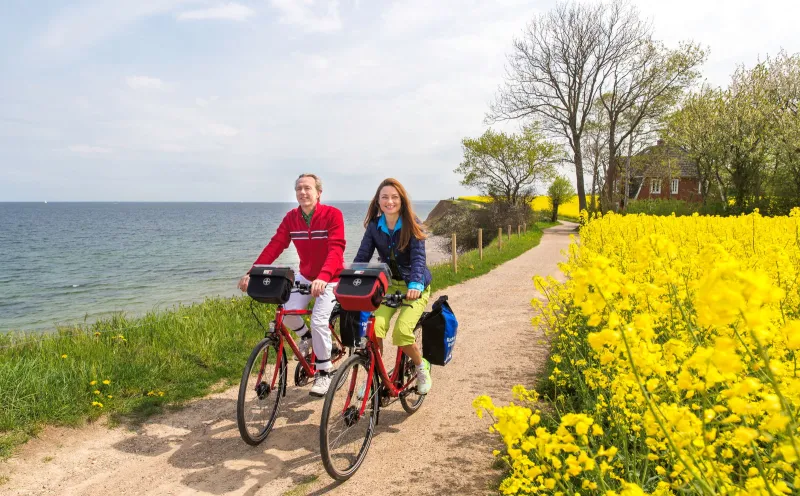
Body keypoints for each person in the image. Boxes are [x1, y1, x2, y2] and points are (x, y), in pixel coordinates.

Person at [238, 173, 345, 397]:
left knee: (318, 320)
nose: (303, 192)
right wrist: (253, 272)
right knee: (284, 312)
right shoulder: (291, 218)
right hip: (306, 275)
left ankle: (325, 372)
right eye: (299, 189)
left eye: (307, 188)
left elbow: (336, 249)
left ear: (318, 193)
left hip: (332, 278)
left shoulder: (332, 215)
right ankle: (306, 338)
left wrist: (324, 276)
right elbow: (275, 245)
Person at [353, 178, 433, 394]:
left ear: (402, 200)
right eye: (385, 197)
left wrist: (416, 284)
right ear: (378, 201)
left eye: (394, 197)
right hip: (389, 285)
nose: (390, 201)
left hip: (414, 286)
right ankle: (374, 377)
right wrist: (351, 279)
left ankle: (420, 366)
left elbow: (418, 258)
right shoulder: (374, 226)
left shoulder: (411, 223)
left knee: (401, 332)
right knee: (374, 330)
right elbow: (362, 255)